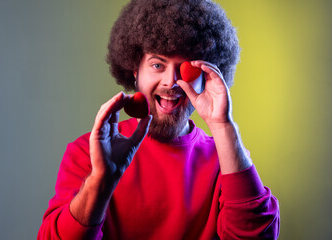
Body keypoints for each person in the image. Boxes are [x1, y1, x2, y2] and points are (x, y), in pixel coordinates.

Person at [38, 0, 280, 239]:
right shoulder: (88, 152)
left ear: (207, 77)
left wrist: (223, 126)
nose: (170, 81)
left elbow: (258, 235)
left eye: (186, 69)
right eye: (157, 64)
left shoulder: (227, 160)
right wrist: (100, 181)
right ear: (135, 71)